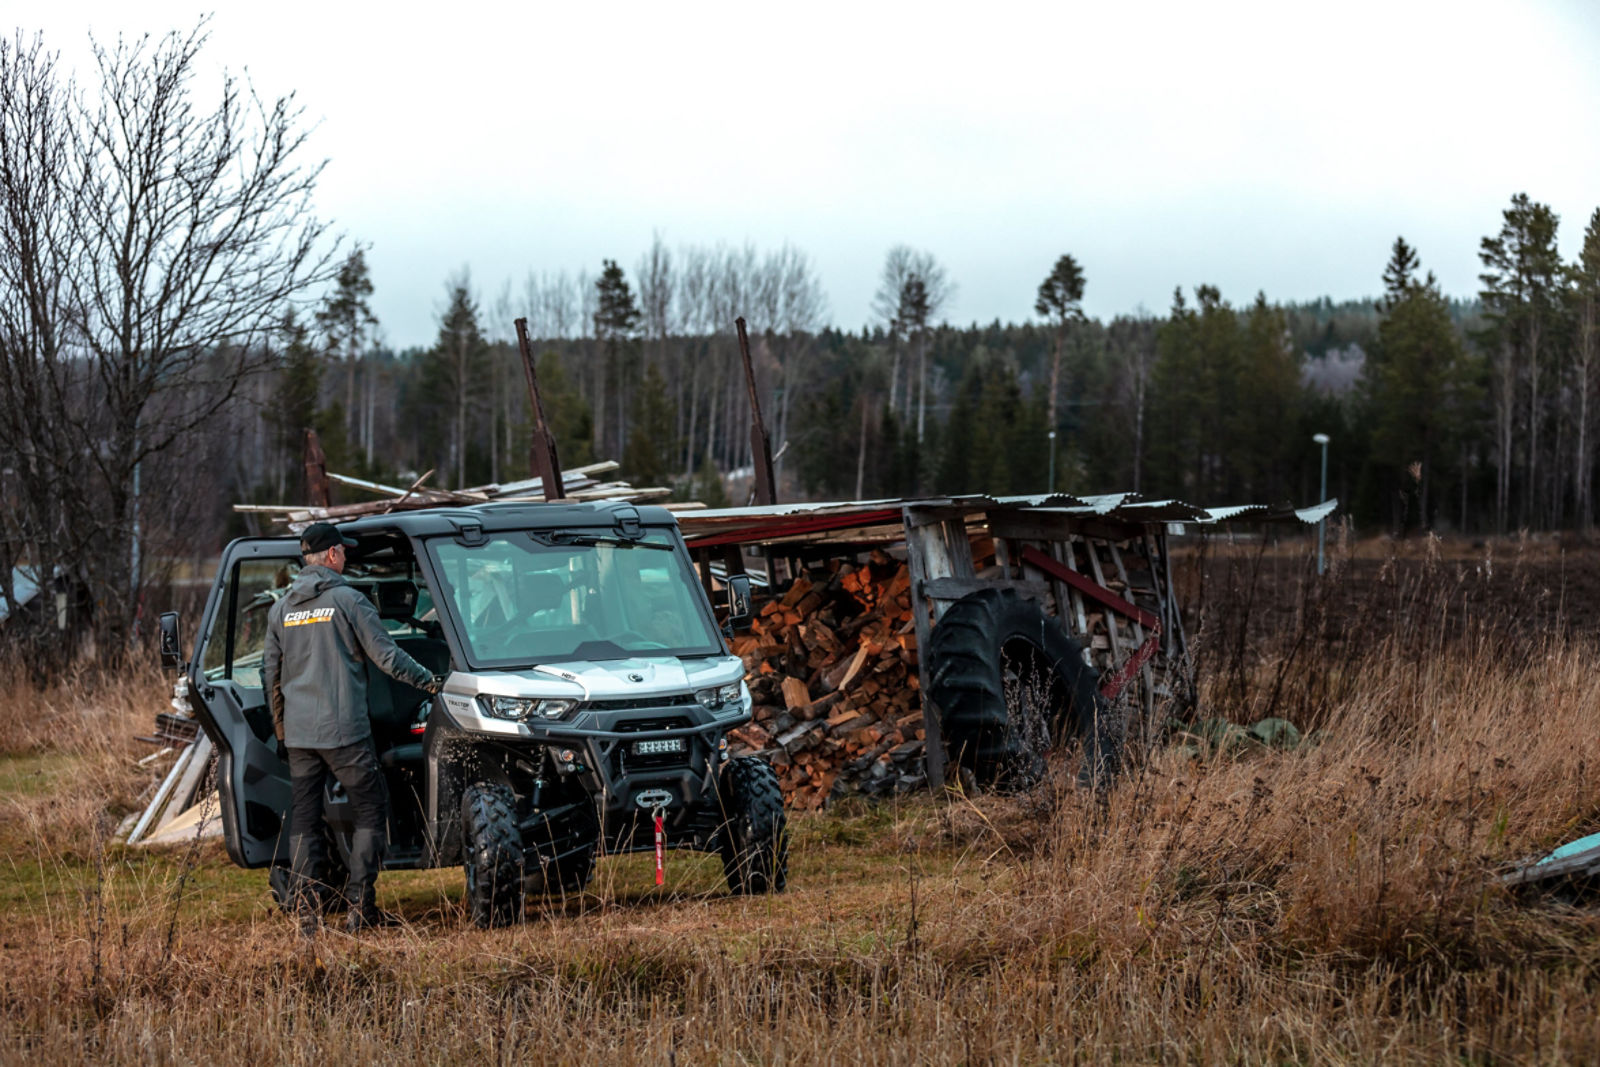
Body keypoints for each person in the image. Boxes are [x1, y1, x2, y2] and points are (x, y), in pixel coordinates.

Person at [262, 522, 442, 934]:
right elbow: (388, 658)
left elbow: (270, 676)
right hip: (345, 732)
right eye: (343, 551)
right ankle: (361, 908)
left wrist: (284, 733)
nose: (345, 556)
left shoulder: (280, 610)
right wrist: (432, 682)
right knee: (370, 810)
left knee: (305, 820)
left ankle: (308, 915)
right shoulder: (349, 600)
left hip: (302, 736)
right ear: (330, 556)